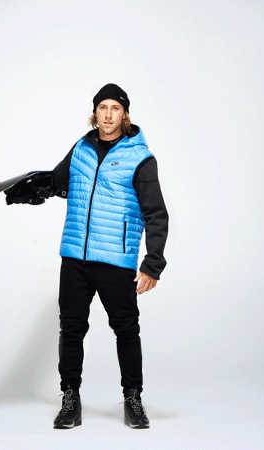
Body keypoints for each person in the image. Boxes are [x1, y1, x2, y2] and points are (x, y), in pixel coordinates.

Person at [48, 84, 169, 429]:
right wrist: (19, 188)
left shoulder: (141, 158)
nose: (108, 114)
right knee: (71, 329)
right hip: (75, 257)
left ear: (125, 114)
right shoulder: (81, 149)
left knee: (126, 330)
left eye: (115, 108)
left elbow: (156, 214)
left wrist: (152, 264)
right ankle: (70, 398)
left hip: (115, 260)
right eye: (102, 107)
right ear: (95, 112)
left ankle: (133, 398)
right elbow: (56, 182)